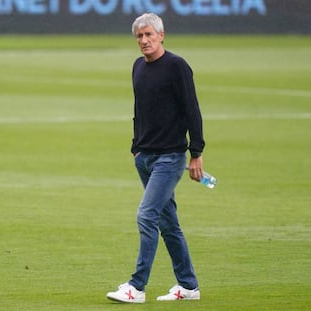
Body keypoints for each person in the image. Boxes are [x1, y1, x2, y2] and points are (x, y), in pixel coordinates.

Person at [106, 13, 205, 303]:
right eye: (139, 36)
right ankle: (188, 286)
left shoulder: (176, 67)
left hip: (170, 158)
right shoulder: (138, 67)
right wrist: (136, 147)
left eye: (149, 35)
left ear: (161, 35)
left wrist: (196, 153)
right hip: (145, 157)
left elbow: (192, 110)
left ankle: (136, 287)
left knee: (146, 215)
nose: (144, 41)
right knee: (168, 223)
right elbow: (140, 110)